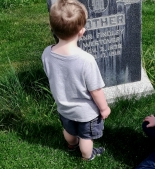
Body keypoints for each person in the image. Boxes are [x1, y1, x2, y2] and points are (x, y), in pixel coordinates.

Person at [41, 0, 111, 161]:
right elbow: (96, 90)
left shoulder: (46, 53)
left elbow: (50, 74)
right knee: (86, 137)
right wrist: (104, 108)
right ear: (81, 31)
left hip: (63, 106)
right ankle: (87, 156)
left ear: (52, 28)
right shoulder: (86, 60)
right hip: (86, 112)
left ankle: (71, 145)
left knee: (69, 130)